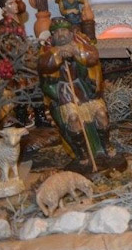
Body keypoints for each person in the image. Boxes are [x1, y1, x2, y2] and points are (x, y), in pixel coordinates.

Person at [38, 18, 113, 171]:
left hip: (84, 90)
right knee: (72, 118)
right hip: (64, 94)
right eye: (56, 32)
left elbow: (92, 57)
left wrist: (75, 52)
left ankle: (106, 144)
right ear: (52, 36)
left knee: (101, 114)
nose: (61, 35)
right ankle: (82, 152)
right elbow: (44, 66)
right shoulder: (47, 50)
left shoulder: (80, 43)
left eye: (64, 30)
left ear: (70, 32)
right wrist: (58, 54)